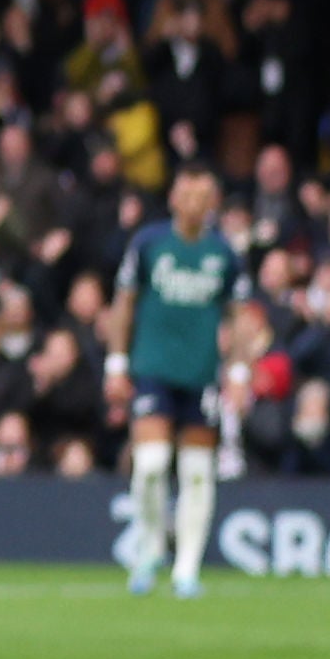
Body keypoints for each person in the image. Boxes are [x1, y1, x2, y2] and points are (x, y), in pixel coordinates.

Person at [108, 163, 248, 599]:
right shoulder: (149, 244)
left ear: (213, 203)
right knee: (149, 468)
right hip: (152, 369)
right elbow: (124, 305)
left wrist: (239, 373)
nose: (194, 204)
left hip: (201, 373)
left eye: (203, 197)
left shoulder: (224, 254)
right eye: (187, 195)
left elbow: (239, 316)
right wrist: (116, 364)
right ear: (173, 198)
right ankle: (151, 546)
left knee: (198, 475)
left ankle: (187, 568)